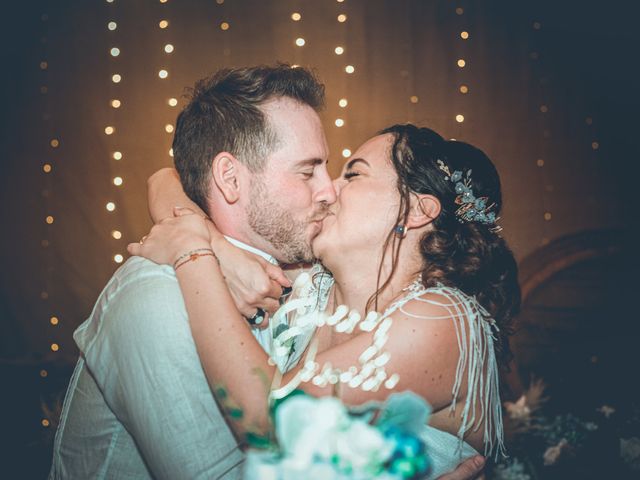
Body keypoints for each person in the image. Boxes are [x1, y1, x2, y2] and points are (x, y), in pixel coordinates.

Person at [49, 65, 482, 480]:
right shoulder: (159, 297)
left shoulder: (310, 281)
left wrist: (206, 244)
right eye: (308, 169)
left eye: (341, 172)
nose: (329, 189)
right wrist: (199, 247)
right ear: (230, 180)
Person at [130, 123, 520, 478]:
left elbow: (269, 422)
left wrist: (193, 253)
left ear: (418, 210)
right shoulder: (311, 284)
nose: (330, 188)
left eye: (354, 173)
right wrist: (220, 248)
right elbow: (165, 181)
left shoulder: (444, 320)